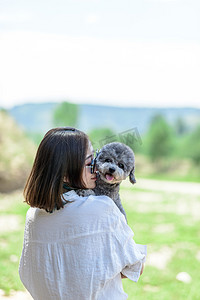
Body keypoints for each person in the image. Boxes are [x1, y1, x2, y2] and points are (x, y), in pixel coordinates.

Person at [19, 127, 146, 300]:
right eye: (88, 163)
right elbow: (134, 266)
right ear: (64, 173)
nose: (95, 168)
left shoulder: (33, 215)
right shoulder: (101, 207)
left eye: (95, 159)